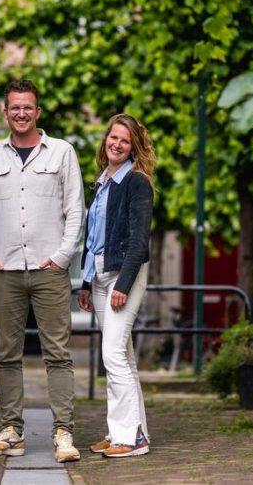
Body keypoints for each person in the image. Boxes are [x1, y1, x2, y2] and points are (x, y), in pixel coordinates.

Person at [0, 79, 85, 463]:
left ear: (38, 112)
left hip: (49, 269)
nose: (21, 113)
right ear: (5, 113)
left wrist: (61, 256)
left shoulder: (62, 152)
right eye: (14, 107)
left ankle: (63, 433)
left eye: (28, 107)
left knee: (58, 353)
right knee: (7, 354)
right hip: (3, 269)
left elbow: (75, 210)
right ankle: (12, 431)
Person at [77, 114, 155, 458]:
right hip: (99, 276)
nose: (117, 144)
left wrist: (123, 282)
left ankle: (131, 439)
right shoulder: (102, 180)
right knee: (122, 356)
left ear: (133, 147)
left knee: (112, 355)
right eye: (113, 138)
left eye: (125, 140)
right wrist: (85, 281)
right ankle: (126, 431)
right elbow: (93, 236)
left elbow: (139, 241)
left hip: (125, 275)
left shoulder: (137, 182)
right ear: (105, 140)